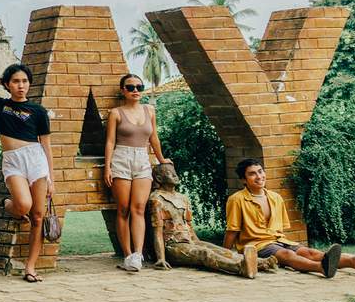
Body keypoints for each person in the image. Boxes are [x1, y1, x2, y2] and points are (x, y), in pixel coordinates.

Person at [0, 64, 54, 283]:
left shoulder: (39, 111)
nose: (21, 85)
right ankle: (9, 204)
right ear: (8, 84)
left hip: (36, 160)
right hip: (14, 161)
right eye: (16, 81)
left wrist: (51, 177)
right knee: (23, 206)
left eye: (25, 81)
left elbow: (46, 145)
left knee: (37, 216)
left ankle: (31, 267)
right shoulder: (1, 105)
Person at [224, 159, 355, 279]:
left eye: (260, 171)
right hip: (257, 245)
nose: (259, 176)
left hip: (279, 240)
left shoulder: (275, 197)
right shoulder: (236, 200)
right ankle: (322, 268)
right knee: (288, 255)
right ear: (243, 180)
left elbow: (279, 228)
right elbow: (232, 229)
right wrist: (224, 254)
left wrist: (280, 243)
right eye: (252, 174)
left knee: (311, 252)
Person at [148, 162, 273, 278]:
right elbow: (157, 231)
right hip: (172, 247)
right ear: (159, 178)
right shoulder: (156, 199)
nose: (175, 175)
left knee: (217, 249)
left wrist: (198, 242)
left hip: (189, 242)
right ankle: (240, 267)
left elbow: (189, 227)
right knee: (204, 253)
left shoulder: (182, 198)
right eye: (169, 173)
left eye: (175, 172)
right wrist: (161, 258)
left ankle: (260, 262)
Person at [103, 73, 171, 272]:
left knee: (139, 208)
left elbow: (154, 138)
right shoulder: (116, 113)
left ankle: (138, 254)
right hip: (121, 158)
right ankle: (127, 255)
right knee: (123, 208)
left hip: (142, 159)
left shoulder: (149, 110)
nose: (135, 91)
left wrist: (161, 159)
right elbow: (110, 141)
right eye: (130, 87)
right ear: (123, 90)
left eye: (139, 87)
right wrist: (108, 166)